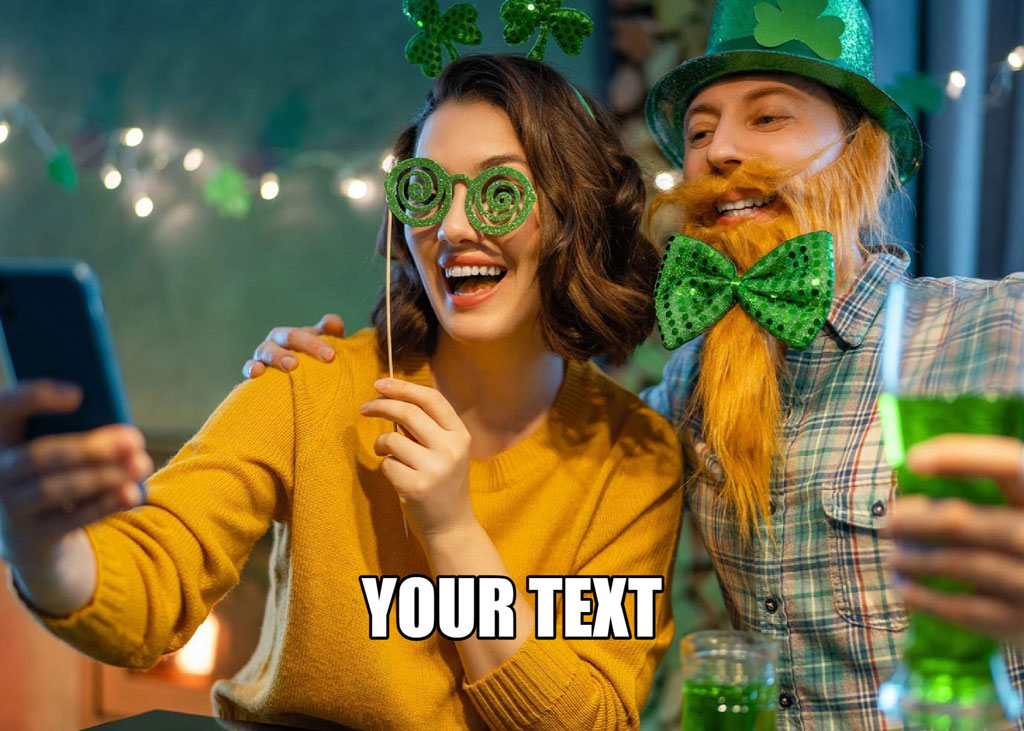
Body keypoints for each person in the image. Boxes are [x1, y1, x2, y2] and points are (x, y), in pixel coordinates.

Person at [247, 1, 1024, 728]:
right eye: (699, 130)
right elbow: (556, 442)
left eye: (768, 116)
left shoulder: (996, 327)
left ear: (861, 150)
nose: (720, 150)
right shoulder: (685, 393)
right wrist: (312, 374)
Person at [0, 55, 684, 729]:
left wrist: (453, 531)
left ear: (576, 215)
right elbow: (153, 581)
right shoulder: (313, 383)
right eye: (425, 191)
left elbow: (591, 720)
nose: (451, 229)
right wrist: (43, 551)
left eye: (499, 192)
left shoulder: (634, 456)